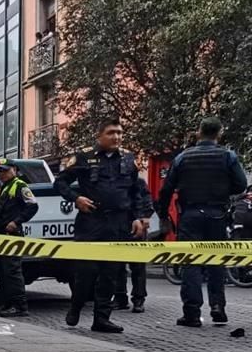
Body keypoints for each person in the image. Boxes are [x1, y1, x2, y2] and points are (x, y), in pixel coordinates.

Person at [54, 118, 151, 333]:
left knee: (111, 273)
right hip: (91, 222)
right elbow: (59, 182)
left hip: (118, 224)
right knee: (86, 272)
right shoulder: (84, 157)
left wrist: (138, 216)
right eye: (111, 133)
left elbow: (136, 191)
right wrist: (76, 198)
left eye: (119, 132)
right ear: (99, 136)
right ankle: (76, 307)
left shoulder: (128, 158)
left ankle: (102, 319)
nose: (116, 137)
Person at [156, 117, 248, 327]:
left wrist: (162, 214)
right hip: (217, 213)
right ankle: (217, 307)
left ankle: (191, 312)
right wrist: (223, 192)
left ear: (199, 132)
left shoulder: (182, 157)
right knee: (216, 260)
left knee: (190, 262)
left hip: (190, 215)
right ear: (219, 133)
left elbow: (166, 189)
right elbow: (241, 184)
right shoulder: (228, 156)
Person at [0, 162, 38, 317]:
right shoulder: (5, 186)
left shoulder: (20, 185)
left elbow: (32, 206)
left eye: (5, 171)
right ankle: (7, 304)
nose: (2, 174)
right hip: (1, 235)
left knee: (12, 271)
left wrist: (16, 222)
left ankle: (20, 306)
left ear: (15, 170)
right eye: (0, 171)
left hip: (12, 235)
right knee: (1, 271)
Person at [112, 177, 153, 313]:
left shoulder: (137, 181)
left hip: (136, 225)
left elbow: (146, 198)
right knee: (117, 264)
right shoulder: (113, 180)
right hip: (118, 224)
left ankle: (138, 298)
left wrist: (145, 216)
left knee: (137, 265)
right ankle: (120, 297)